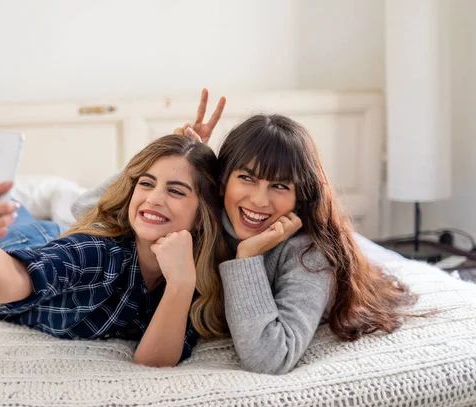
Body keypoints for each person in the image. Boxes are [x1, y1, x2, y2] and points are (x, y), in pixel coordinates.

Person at [73, 90, 417, 375]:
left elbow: (271, 357)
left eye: (280, 185)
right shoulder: (205, 211)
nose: (259, 200)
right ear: (222, 183)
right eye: (246, 178)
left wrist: (247, 258)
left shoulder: (307, 255)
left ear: (301, 196)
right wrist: (170, 157)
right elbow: (83, 210)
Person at [0, 134, 229, 367]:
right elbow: (15, 281)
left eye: (175, 191)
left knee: (16, 215)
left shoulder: (195, 278)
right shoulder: (97, 254)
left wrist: (181, 285)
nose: (154, 198)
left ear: (203, 212)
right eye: (146, 184)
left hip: (52, 238)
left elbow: (153, 362)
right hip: (7, 250)